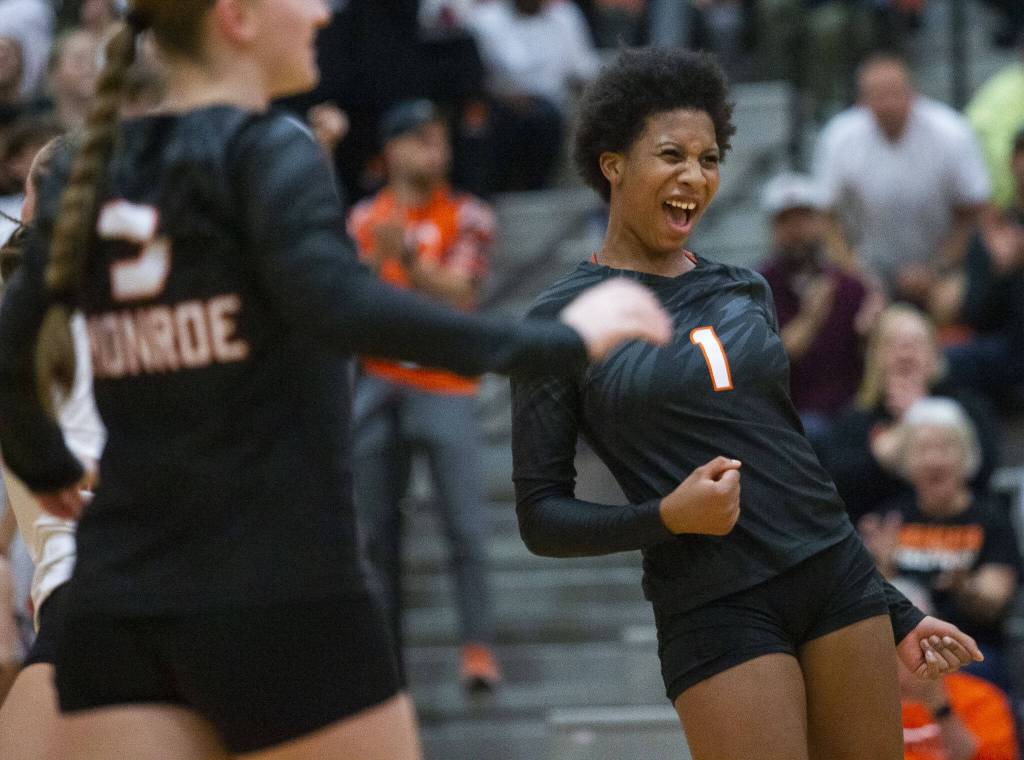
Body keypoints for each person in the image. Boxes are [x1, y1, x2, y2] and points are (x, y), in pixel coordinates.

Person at [0, 3, 672, 759]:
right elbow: (340, 302)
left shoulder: (88, 178)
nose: (321, 11)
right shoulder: (266, 152)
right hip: (274, 593)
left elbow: (10, 357)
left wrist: (42, 461)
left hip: (118, 604)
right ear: (237, 19)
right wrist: (559, 343)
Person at [511, 47, 984, 760]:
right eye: (671, 154)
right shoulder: (561, 321)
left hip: (834, 581)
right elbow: (541, 515)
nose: (694, 177)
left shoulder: (744, 288)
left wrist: (892, 607)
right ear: (612, 165)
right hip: (713, 604)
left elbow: (790, 459)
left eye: (709, 158)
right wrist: (665, 517)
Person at [348, 99, 502, 690]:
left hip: (444, 381)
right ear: (390, 151)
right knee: (375, 535)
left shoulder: (469, 215)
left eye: (439, 138)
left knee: (464, 523)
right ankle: (385, 664)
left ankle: (478, 648)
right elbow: (345, 301)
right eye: (418, 139)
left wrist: (405, 260)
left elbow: (461, 293)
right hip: (380, 377)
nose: (434, 150)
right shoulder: (362, 218)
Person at [862, 397, 1021, 692]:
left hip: (969, 654)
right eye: (923, 449)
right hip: (901, 656)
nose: (934, 459)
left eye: (945, 448)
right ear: (907, 461)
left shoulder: (991, 519)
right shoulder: (889, 518)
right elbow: (867, 606)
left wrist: (965, 587)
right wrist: (885, 567)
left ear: (967, 456)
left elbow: (995, 600)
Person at [814, 54, 990, 303]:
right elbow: (825, 217)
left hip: (943, 266)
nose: (887, 104)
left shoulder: (952, 132)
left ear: (913, 93)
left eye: (894, 93)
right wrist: (856, 273)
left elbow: (974, 209)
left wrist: (938, 268)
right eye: (877, 96)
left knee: (951, 301)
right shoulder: (838, 137)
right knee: (846, 305)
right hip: (866, 267)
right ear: (862, 100)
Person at [823, 304, 1001, 524]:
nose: (906, 350)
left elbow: (983, 472)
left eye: (916, 342)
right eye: (893, 343)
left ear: (935, 355)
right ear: (875, 357)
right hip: (879, 535)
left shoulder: (967, 407)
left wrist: (920, 414)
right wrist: (880, 457)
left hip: (959, 533)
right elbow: (838, 487)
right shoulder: (857, 418)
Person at [756, 171, 882, 446]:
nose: (796, 230)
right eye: (785, 221)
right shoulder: (756, 288)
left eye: (803, 218)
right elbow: (763, 363)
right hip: (790, 418)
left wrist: (873, 332)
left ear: (820, 223)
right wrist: (811, 319)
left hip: (850, 412)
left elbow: (874, 359)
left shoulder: (850, 286)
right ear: (773, 229)